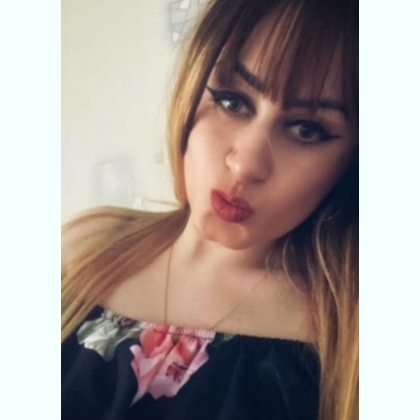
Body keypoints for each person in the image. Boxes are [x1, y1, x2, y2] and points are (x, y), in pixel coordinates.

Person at [61, 0, 359, 419]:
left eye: (306, 130)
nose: (246, 164)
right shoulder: (84, 250)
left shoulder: (350, 341)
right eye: (232, 102)